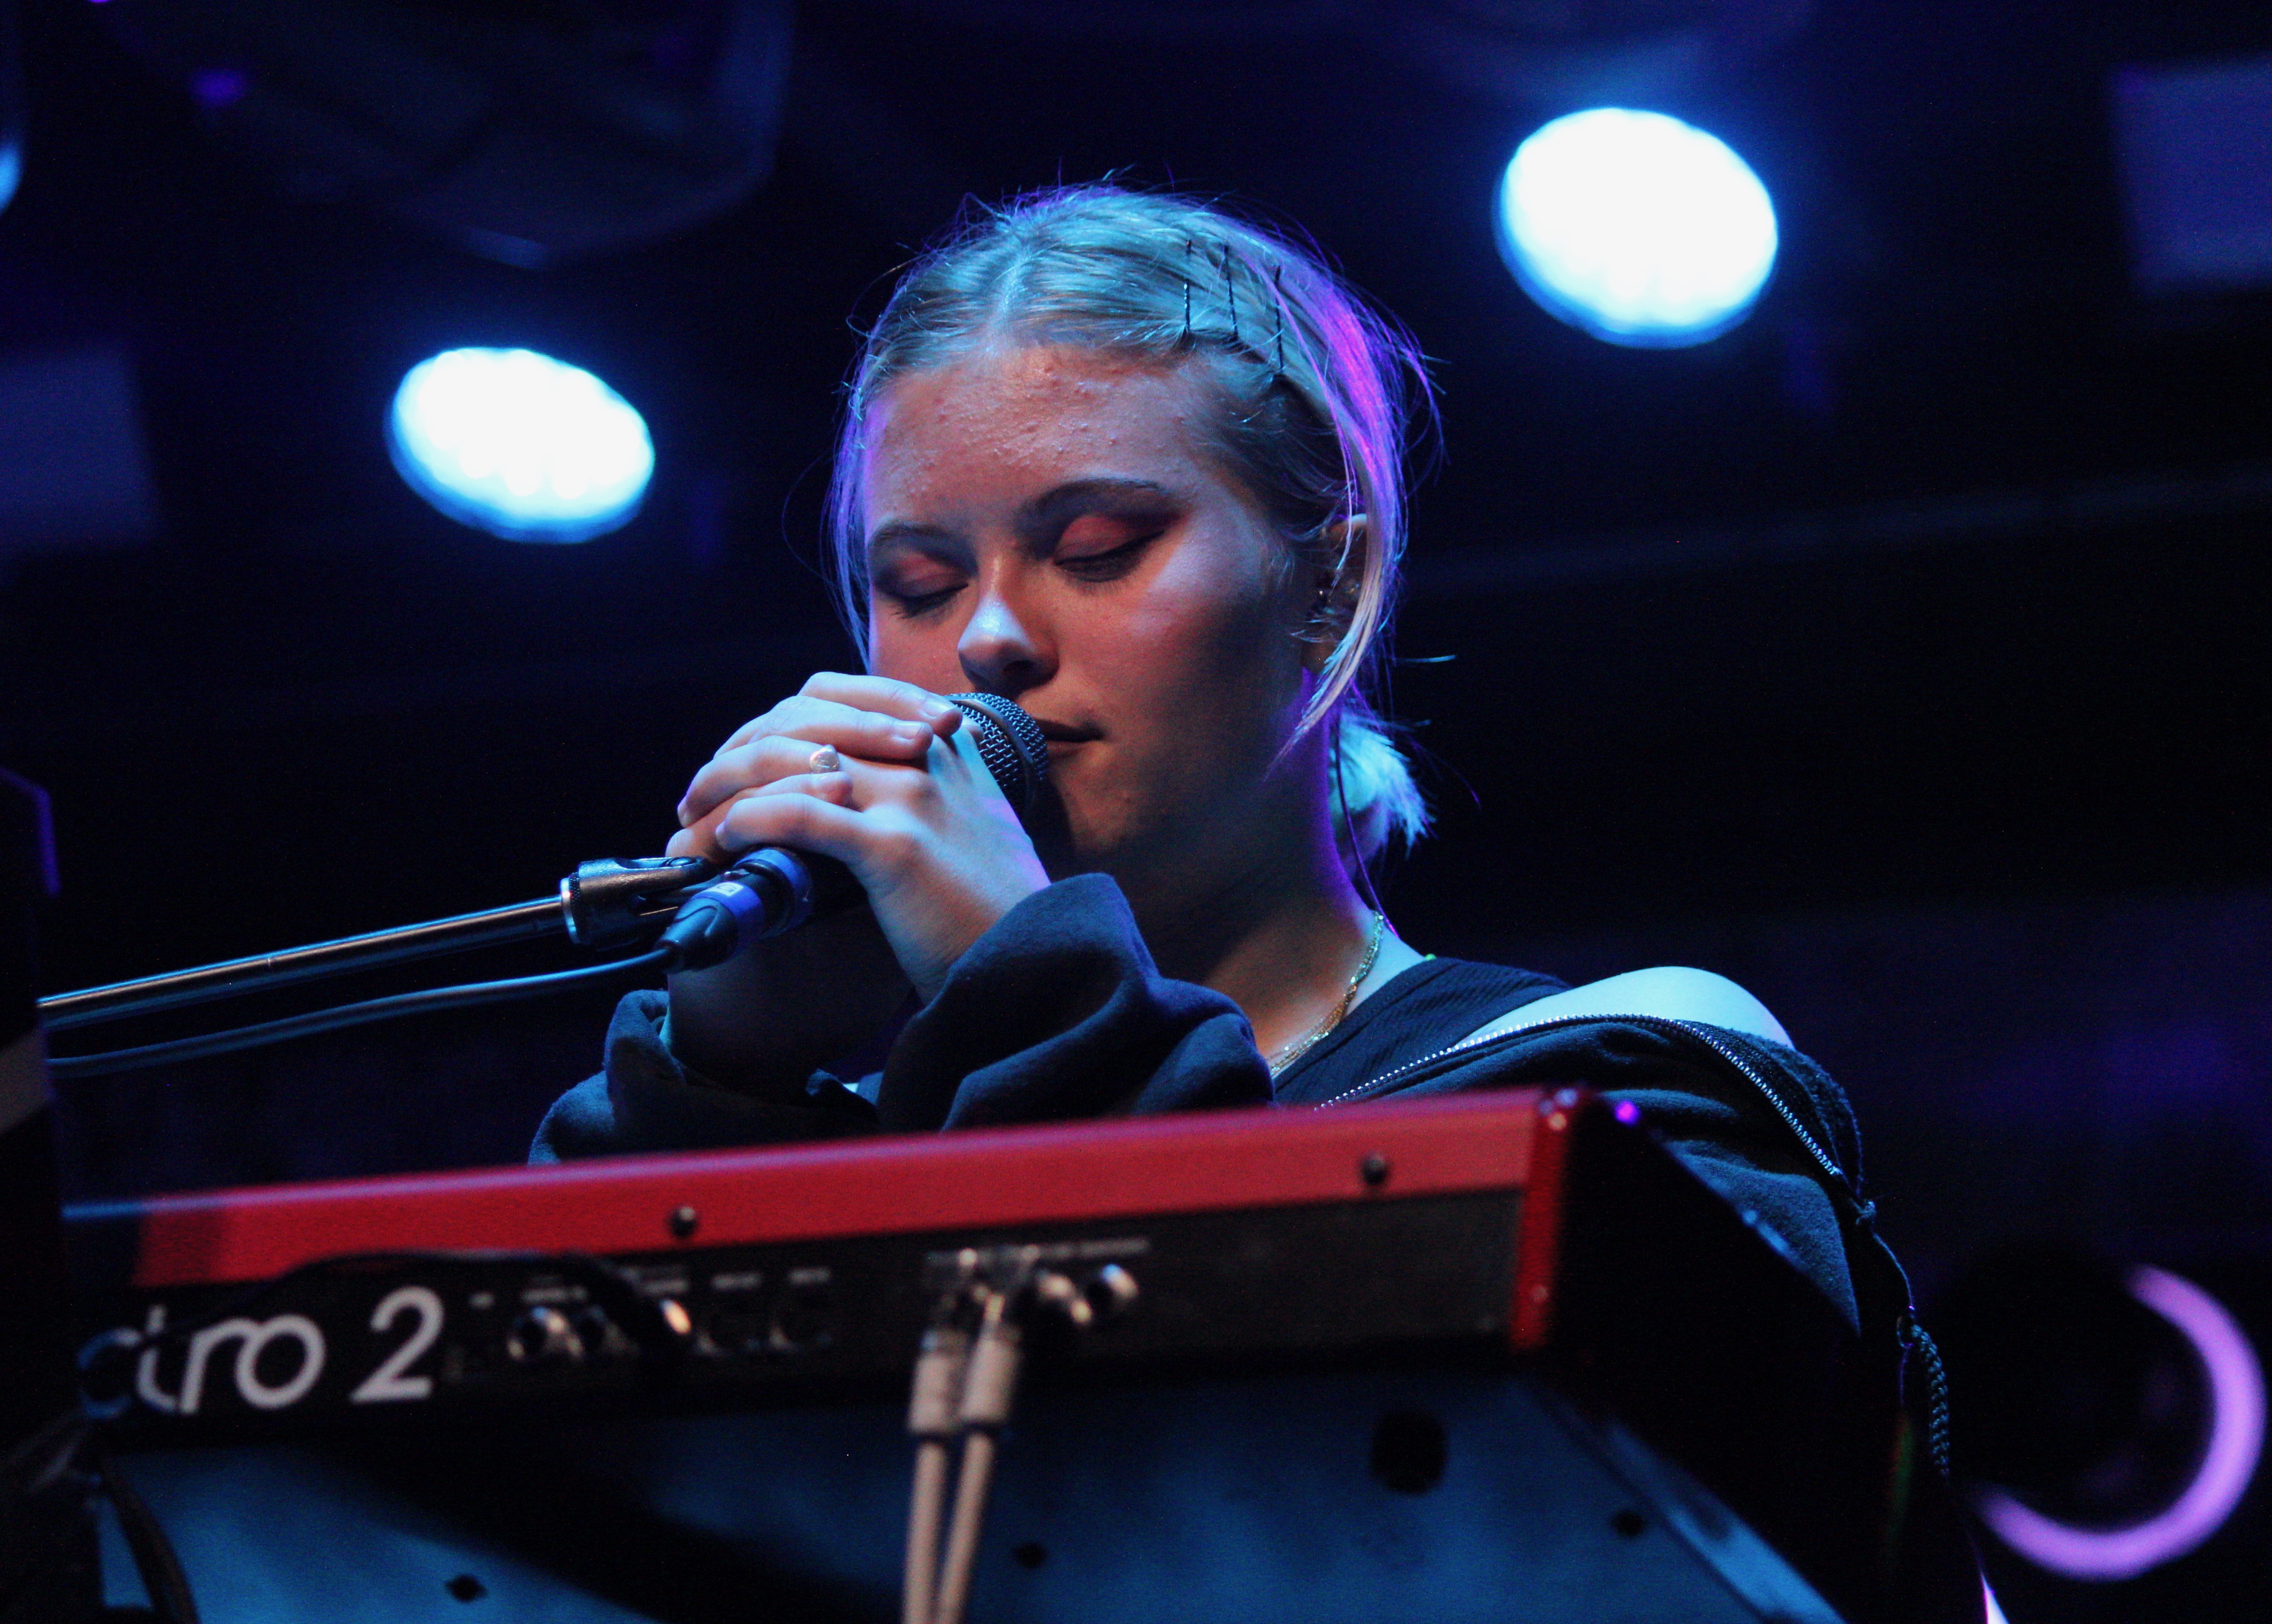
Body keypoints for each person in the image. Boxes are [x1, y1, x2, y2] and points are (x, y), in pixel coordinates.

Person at [532, 184, 1881, 1336]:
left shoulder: (1619, 1077)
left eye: (1099, 549)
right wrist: (711, 1094)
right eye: (923, 582)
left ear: (1331, 587)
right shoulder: (882, 1145)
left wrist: (1036, 999)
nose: (991, 637)